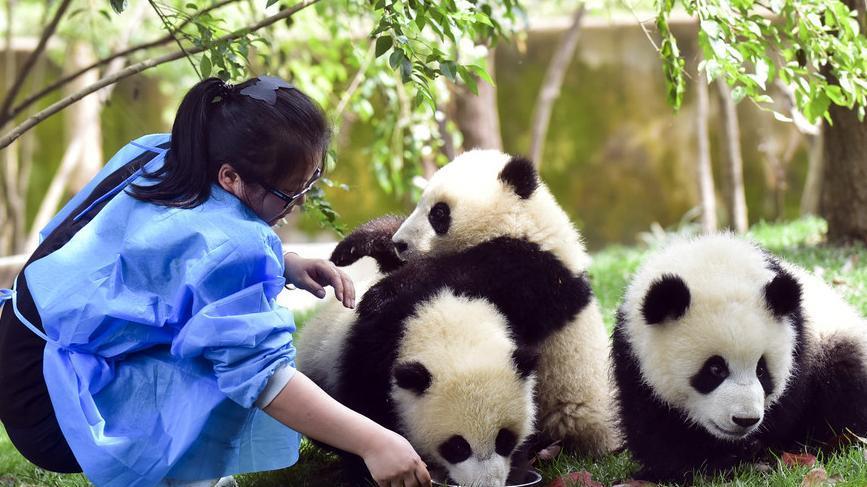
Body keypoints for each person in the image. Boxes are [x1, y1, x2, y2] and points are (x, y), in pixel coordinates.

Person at [0, 76, 432, 487]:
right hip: (53, 406)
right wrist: (375, 442)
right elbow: (267, 379)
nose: (297, 205)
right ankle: (183, 476)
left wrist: (285, 261)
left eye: (310, 183)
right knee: (224, 359)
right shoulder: (233, 244)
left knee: (221, 333)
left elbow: (159, 256)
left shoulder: (165, 153)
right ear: (230, 177)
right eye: (289, 193)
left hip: (21, 346)